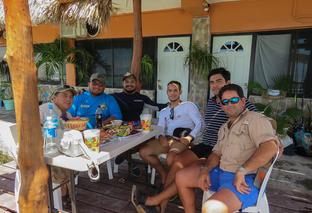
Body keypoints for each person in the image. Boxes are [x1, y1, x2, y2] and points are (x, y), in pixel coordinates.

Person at [135, 68, 256, 213]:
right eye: (212, 82)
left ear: (228, 82)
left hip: (220, 150)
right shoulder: (211, 102)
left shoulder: (236, 102)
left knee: (182, 170)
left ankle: (158, 204)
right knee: (176, 163)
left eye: (219, 81)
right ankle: (161, 205)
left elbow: (259, 119)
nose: (215, 85)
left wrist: (271, 133)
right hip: (205, 144)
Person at [175, 84, 279, 213]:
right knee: (181, 177)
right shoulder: (224, 127)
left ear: (242, 101)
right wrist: (205, 170)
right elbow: (216, 154)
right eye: (225, 102)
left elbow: (270, 148)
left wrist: (242, 171)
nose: (229, 104)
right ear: (221, 106)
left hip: (246, 180)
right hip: (222, 173)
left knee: (211, 208)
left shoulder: (254, 119)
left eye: (234, 100)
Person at [139, 80, 203, 186]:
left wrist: (190, 137)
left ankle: (172, 185)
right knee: (143, 152)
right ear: (167, 92)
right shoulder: (164, 111)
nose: (172, 93)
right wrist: (160, 137)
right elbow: (160, 128)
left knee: (170, 158)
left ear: (180, 91)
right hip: (168, 139)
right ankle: (163, 174)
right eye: (170, 90)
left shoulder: (188, 106)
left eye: (175, 90)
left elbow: (200, 123)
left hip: (182, 139)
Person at [112, 72, 167, 176]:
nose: (129, 84)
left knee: (148, 140)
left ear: (136, 84)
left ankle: (123, 154)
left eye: (132, 82)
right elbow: (101, 98)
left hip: (138, 128)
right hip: (122, 130)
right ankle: (131, 163)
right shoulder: (115, 96)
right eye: (127, 82)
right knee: (126, 142)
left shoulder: (142, 98)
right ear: (123, 83)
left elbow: (156, 107)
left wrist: (171, 103)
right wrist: (80, 92)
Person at [39, 85, 76, 209]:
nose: (69, 99)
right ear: (54, 98)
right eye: (64, 95)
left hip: (59, 150)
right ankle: (60, 200)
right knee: (65, 164)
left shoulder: (68, 115)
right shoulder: (45, 109)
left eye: (71, 96)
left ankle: (65, 196)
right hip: (43, 153)